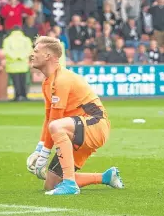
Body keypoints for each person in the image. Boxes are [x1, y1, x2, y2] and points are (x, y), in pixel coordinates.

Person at [26, 36, 124, 195]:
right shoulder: (47, 82)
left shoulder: (61, 80)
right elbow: (48, 118)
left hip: (95, 125)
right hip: (75, 130)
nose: (32, 54)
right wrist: (39, 150)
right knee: (51, 184)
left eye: (36, 51)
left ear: (48, 56)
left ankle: (70, 185)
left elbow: (55, 122)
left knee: (56, 126)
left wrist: (44, 156)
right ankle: (106, 177)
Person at [2, 26, 33, 101]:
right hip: (23, 63)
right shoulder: (26, 39)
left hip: (12, 63)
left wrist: (14, 57)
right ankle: (24, 95)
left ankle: (17, 96)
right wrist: (21, 57)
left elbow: (6, 51)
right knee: (23, 80)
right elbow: (29, 50)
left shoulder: (7, 40)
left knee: (15, 81)